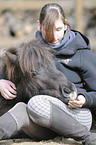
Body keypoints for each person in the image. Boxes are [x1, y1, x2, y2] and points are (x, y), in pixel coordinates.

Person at [0, 3, 96, 145]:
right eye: (48, 30)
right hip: (43, 120)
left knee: (35, 102)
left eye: (58, 29)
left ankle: (88, 138)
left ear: (65, 25)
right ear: (39, 26)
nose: (54, 36)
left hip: (77, 114)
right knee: (21, 109)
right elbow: (9, 61)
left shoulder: (83, 54)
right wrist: (0, 81)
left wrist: (84, 99)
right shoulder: (36, 51)